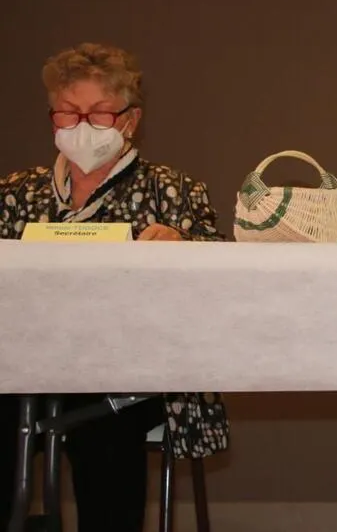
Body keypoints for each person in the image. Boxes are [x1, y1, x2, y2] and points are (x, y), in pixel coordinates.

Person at [0, 43, 224, 532]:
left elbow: (220, 276)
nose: (82, 126)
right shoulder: (16, 192)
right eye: (68, 113)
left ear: (130, 121)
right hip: (23, 366)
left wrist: (183, 245)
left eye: (99, 114)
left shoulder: (172, 191)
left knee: (103, 431)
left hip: (128, 376)